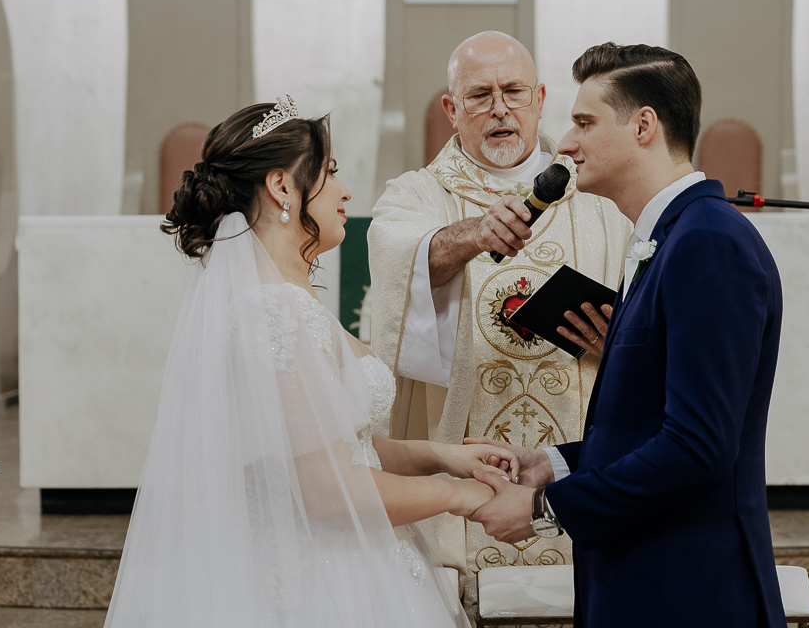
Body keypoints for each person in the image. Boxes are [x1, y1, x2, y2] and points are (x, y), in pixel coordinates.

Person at [104, 97, 521, 628]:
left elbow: (333, 447)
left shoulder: (280, 300)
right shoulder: (274, 311)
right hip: (324, 580)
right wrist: (458, 496)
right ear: (282, 186)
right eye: (329, 173)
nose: (346, 191)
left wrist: (439, 455)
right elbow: (325, 489)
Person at [467, 43, 786, 627]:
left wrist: (544, 509)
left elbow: (698, 448)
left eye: (585, 122)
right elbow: (649, 427)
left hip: (690, 591)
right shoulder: (668, 240)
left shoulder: (708, 243)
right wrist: (553, 465)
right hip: (647, 581)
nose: (564, 143)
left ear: (644, 126)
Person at [367, 32, 631, 605]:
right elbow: (399, 260)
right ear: (451, 108)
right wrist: (471, 236)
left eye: (513, 92)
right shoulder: (415, 195)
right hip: (460, 479)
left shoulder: (599, 201)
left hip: (575, 469)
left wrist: (622, 348)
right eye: (480, 95)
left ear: (539, 99)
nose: (500, 109)